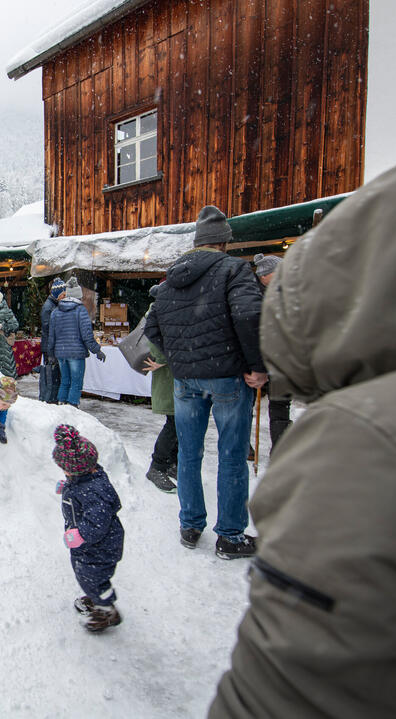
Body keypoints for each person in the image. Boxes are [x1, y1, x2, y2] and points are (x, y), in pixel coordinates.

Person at [209, 146, 396, 719]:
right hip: (230, 380)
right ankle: (224, 527)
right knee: (230, 453)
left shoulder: (366, 437)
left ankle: (208, 522)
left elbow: (290, 691)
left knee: (208, 453)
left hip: (204, 382)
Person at [145, 205, 266, 560]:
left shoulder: (170, 280)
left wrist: (182, 358)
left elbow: (152, 328)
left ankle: (191, 524)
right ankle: (229, 535)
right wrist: (257, 365)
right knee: (231, 456)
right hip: (229, 376)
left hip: (186, 382)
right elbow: (249, 315)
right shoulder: (235, 270)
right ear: (224, 242)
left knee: (189, 454)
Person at [52, 424, 124, 633]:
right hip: (90, 545)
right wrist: (66, 487)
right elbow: (80, 485)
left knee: (92, 576)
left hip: (99, 546)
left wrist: (80, 535)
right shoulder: (85, 478)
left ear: (77, 469)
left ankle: (106, 609)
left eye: (65, 470)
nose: (64, 473)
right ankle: (95, 595)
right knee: (86, 574)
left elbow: (98, 522)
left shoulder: (94, 491)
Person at [251, 253, 292, 452]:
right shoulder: (251, 295)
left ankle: (280, 448)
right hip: (256, 358)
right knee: (246, 405)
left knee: (280, 406)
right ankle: (243, 446)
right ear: (265, 275)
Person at [47, 277, 105, 407]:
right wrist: (97, 350)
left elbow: (52, 336)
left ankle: (62, 403)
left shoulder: (55, 312)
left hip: (60, 353)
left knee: (65, 381)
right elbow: (87, 335)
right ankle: (72, 406)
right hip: (76, 353)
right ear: (78, 296)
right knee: (76, 382)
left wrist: (51, 353)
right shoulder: (80, 310)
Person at [142, 283, 177, 493]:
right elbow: (154, 340)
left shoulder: (164, 310)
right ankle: (158, 465)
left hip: (173, 374)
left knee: (178, 422)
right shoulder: (156, 312)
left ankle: (172, 462)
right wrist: (163, 359)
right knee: (174, 421)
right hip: (168, 375)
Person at [38, 277, 66, 403]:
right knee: (50, 373)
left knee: (53, 374)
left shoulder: (54, 305)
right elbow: (48, 328)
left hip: (52, 345)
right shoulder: (48, 307)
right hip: (49, 346)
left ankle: (52, 396)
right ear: (57, 294)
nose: (64, 297)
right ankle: (49, 397)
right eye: (63, 294)